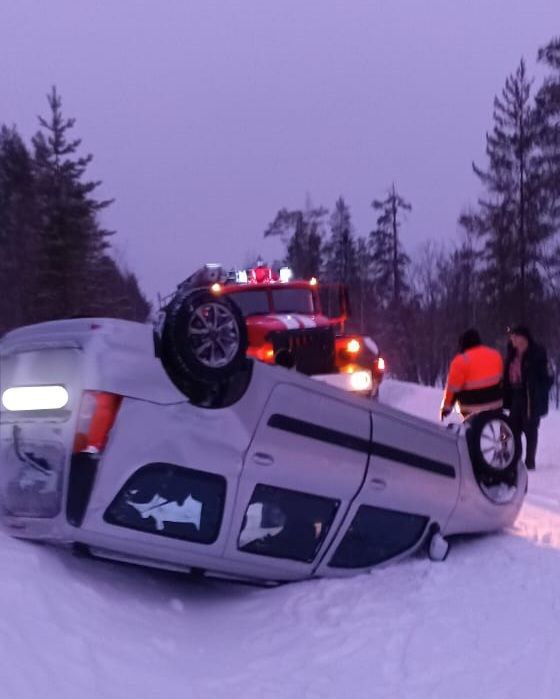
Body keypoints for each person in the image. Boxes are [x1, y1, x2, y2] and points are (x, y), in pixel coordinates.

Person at [503, 325, 552, 470]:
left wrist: (537, 390)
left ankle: (530, 462)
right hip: (515, 395)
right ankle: (513, 459)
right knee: (511, 428)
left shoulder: (536, 353)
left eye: (515, 336)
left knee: (530, 428)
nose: (512, 339)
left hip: (531, 397)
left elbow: (547, 377)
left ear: (523, 338)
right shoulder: (511, 353)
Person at [440, 328, 503, 421]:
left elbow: (452, 390)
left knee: (458, 387)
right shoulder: (495, 354)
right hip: (496, 405)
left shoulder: (460, 361)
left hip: (472, 409)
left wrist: (446, 409)